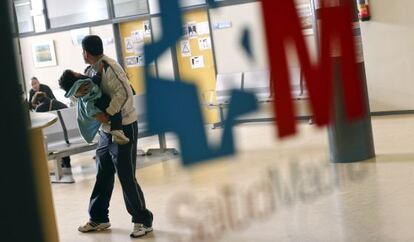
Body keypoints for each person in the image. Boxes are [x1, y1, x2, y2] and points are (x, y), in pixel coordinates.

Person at [76, 35, 153, 238]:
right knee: (103, 173)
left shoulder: (112, 67)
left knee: (126, 176)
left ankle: (142, 221)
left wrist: (108, 114)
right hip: (106, 130)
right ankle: (99, 218)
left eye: (82, 51)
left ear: (86, 52)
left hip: (124, 127)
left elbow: (126, 94)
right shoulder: (90, 70)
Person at [58, 69, 129, 145]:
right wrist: (99, 73)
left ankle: (115, 130)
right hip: (99, 103)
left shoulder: (78, 86)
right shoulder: (82, 83)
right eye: (75, 73)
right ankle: (116, 130)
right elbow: (94, 81)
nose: (78, 72)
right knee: (115, 112)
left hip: (96, 106)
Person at [31, 91, 72, 168]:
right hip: (69, 135)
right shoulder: (58, 103)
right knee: (61, 134)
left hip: (52, 139)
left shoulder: (39, 108)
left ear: (38, 101)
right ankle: (66, 162)